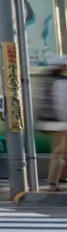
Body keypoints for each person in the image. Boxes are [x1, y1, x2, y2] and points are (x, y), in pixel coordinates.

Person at [43, 57, 67, 191]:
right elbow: (62, 106)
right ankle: (53, 181)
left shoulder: (47, 81)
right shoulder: (61, 83)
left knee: (60, 153)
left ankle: (58, 178)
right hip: (61, 124)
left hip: (53, 124)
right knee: (59, 153)